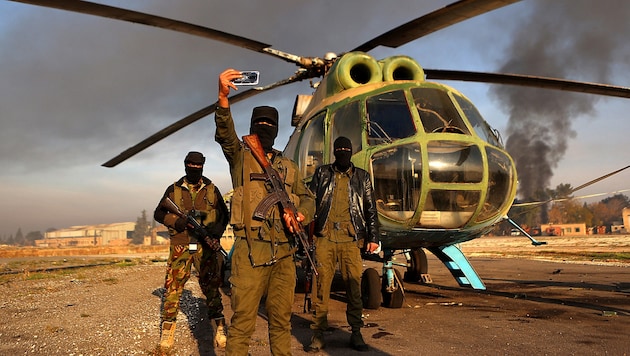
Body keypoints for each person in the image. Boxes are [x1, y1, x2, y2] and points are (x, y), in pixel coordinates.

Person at [214, 68, 315, 356]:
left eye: (269, 123)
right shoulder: (240, 157)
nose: (264, 126)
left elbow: (308, 198)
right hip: (249, 252)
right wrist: (222, 97)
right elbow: (225, 134)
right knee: (243, 322)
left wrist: (300, 214)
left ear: (277, 128)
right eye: (259, 122)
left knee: (281, 322)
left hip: (284, 254)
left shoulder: (289, 166)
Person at [306, 136, 380, 352]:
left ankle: (356, 333)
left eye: (346, 150)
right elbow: (310, 202)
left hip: (350, 240)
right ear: (334, 152)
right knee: (320, 290)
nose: (342, 153)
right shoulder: (322, 173)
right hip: (324, 239)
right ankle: (317, 335)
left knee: (354, 288)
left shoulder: (362, 177)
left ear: (351, 152)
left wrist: (373, 237)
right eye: (339, 150)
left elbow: (370, 209)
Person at [153, 151, 230, 351]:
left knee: (212, 287)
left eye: (198, 166)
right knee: (173, 289)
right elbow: (159, 213)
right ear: (185, 165)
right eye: (190, 165)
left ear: (202, 166)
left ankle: (219, 327)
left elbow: (224, 215)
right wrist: (177, 221)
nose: (194, 168)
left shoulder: (212, 189)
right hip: (181, 245)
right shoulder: (174, 189)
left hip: (205, 246)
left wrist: (214, 235)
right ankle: (168, 329)